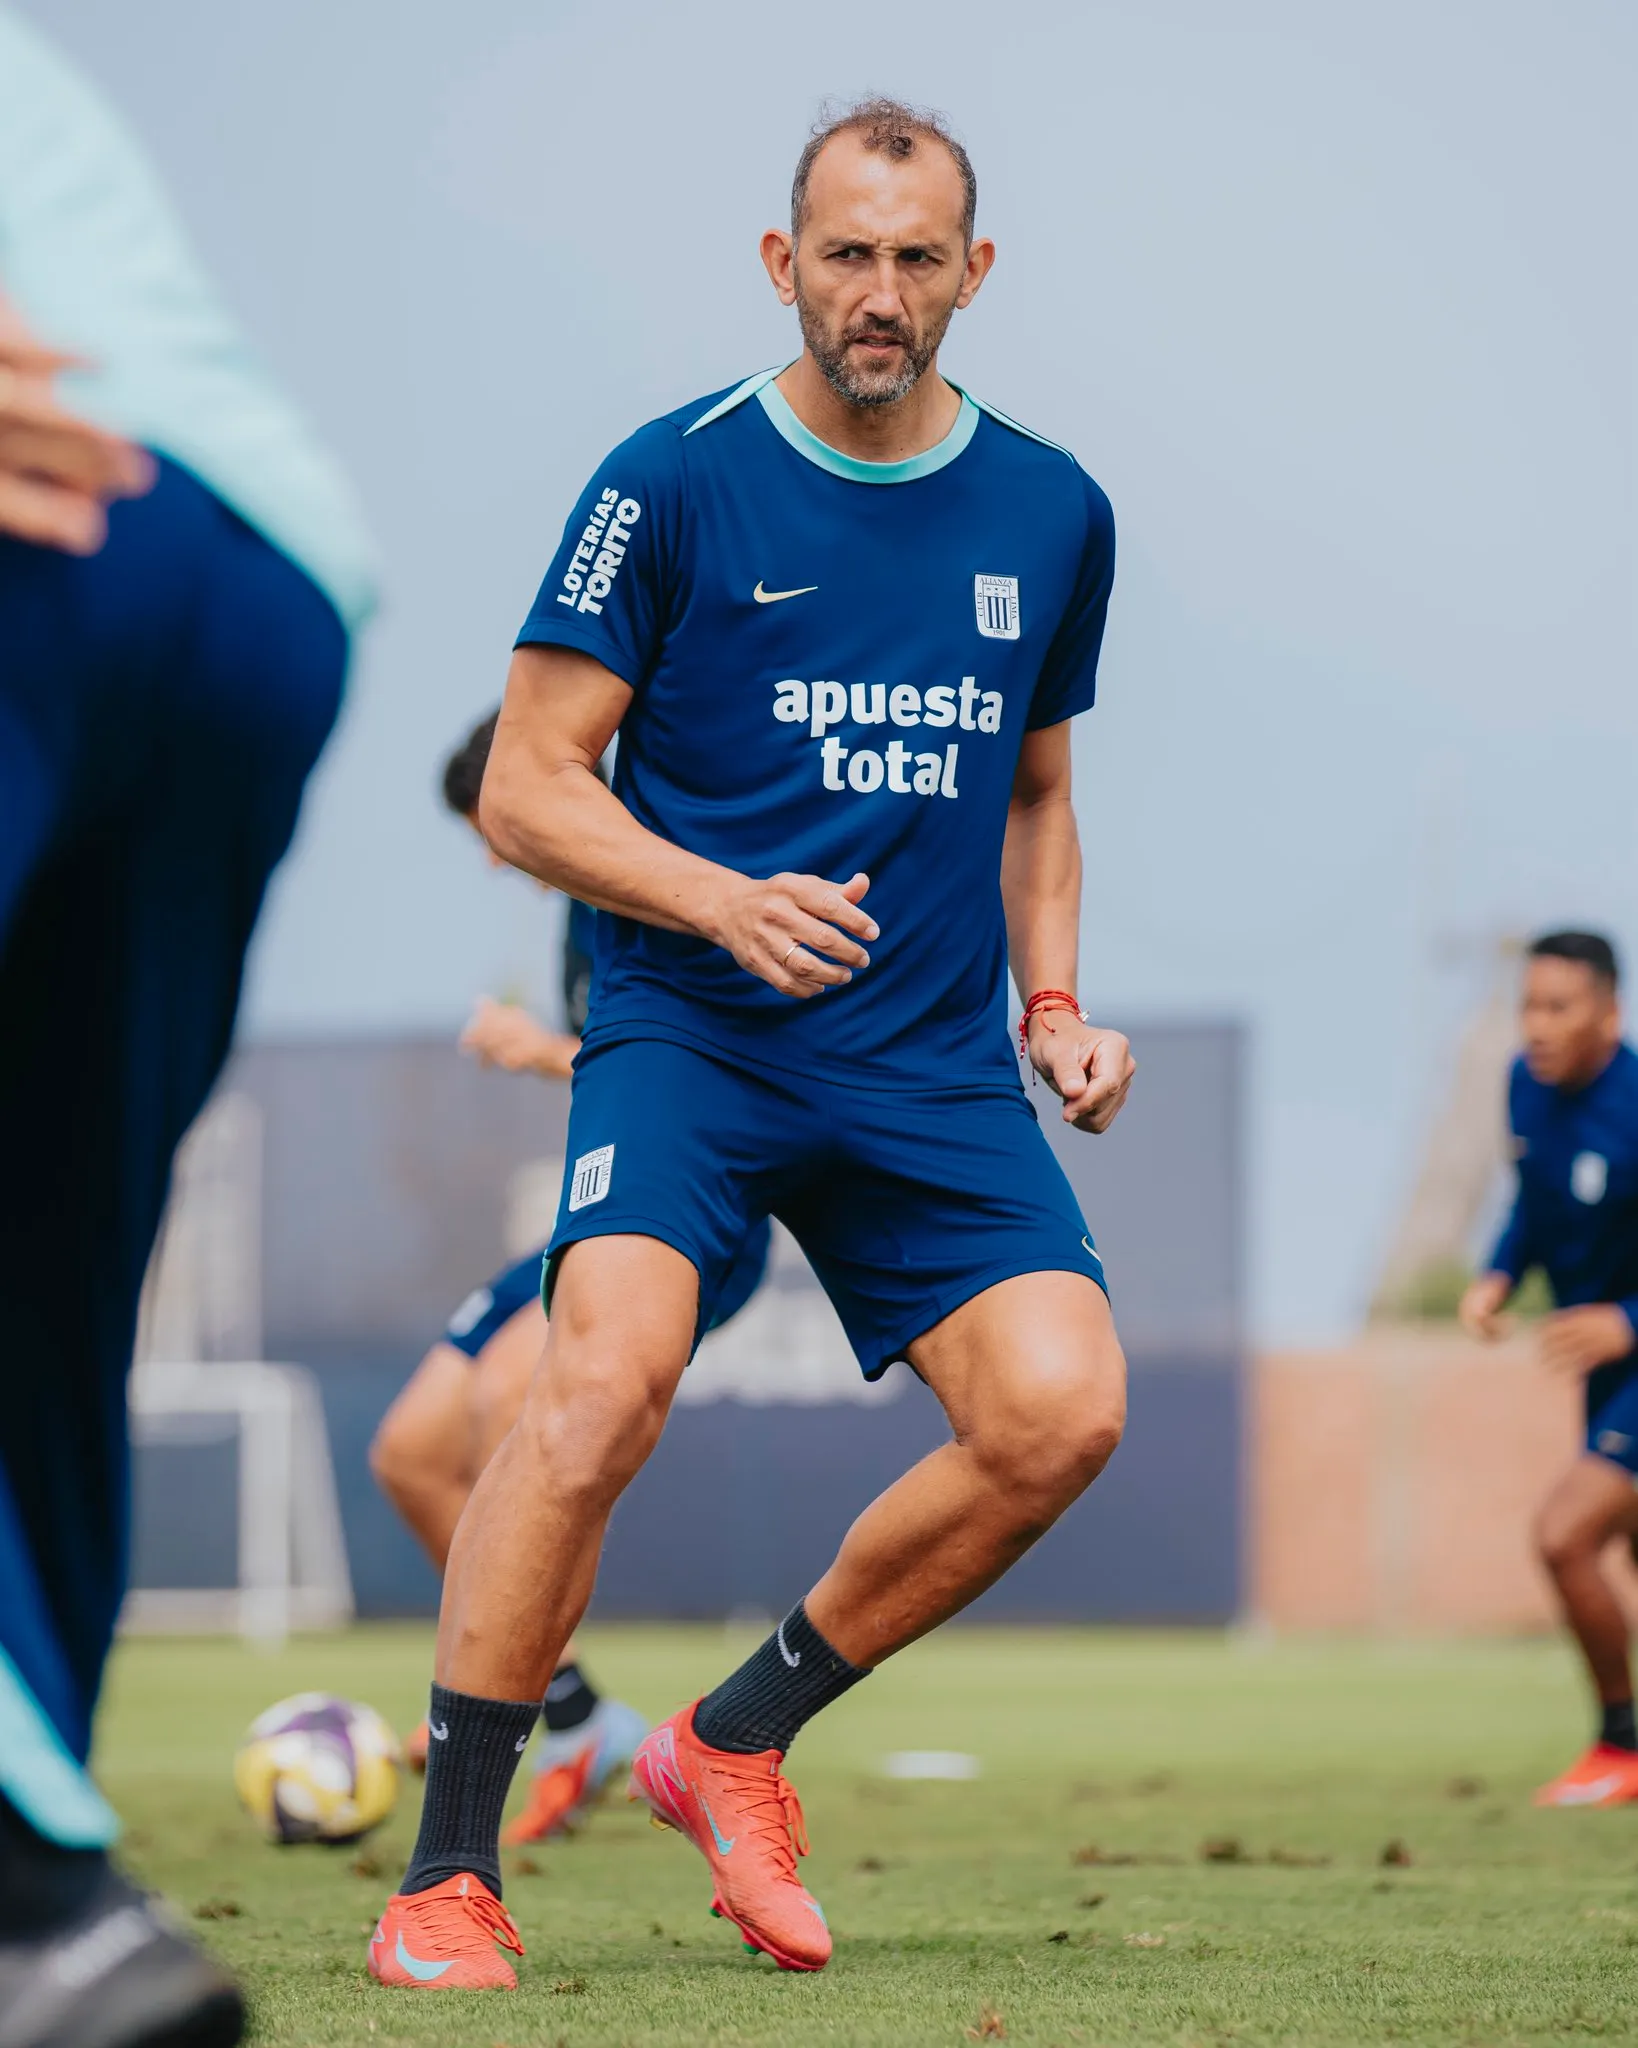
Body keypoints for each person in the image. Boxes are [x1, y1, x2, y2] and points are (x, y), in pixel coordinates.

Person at [368, 96, 1132, 1993]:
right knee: (600, 1381)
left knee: (1061, 1410)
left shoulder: (1050, 508)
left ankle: (730, 1739)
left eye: (915, 256)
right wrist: (713, 898)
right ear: (783, 266)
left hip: (928, 1063)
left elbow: (1036, 798)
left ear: (973, 272)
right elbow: (528, 793)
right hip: (690, 1035)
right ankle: (449, 1873)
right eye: (846, 255)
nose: (880, 294)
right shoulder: (671, 478)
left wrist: (1051, 1006)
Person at [0, 13, 375, 2046]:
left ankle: (20, 1880)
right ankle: (50, 1951)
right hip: (258, 558)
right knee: (35, 1302)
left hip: (39, 515)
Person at [369, 712, 769, 1841]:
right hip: (596, 1204)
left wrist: (531, 1049)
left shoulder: (664, 864)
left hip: (695, 1218)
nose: (497, 856)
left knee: (516, 1404)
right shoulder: (579, 902)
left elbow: (690, 1058)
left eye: (493, 828)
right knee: (408, 1451)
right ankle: (569, 1704)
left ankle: (498, 1713)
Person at [1460, 931, 1638, 1808]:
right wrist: (1497, 1273)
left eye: (1558, 1007)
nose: (1536, 1026)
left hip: (1630, 1351)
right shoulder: (1524, 1085)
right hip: (1603, 1369)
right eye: (1528, 1004)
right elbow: (1528, 1201)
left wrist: (1626, 1320)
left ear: (1610, 1011)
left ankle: (1620, 1747)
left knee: (1566, 1536)